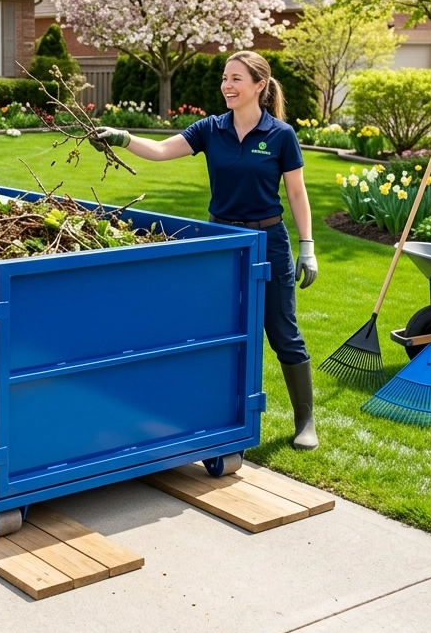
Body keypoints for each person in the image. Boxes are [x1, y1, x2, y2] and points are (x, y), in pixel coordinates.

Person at [94, 50, 319, 449]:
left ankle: (305, 421)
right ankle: (212, 415)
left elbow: (297, 194)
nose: (227, 86)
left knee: (282, 331)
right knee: (217, 330)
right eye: (225, 78)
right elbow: (161, 151)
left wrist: (308, 246)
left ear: (259, 86)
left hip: (268, 242)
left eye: (236, 79)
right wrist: (122, 138)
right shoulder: (210, 129)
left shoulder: (280, 135)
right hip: (221, 243)